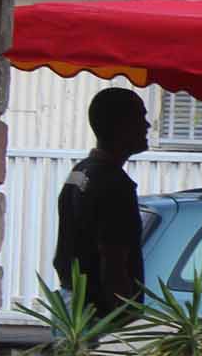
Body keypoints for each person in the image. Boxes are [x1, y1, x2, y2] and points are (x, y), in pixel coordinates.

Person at [52, 87, 150, 313]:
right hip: (98, 315)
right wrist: (123, 314)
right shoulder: (115, 184)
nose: (147, 126)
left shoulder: (79, 173)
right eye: (140, 118)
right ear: (120, 126)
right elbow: (113, 260)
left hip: (69, 305)